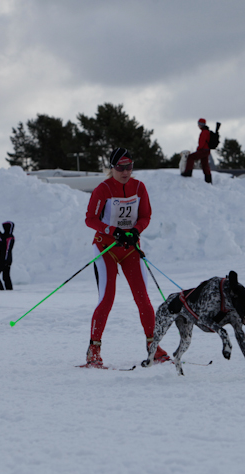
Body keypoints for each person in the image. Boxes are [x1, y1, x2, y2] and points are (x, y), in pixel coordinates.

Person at [82, 147, 169, 368]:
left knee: (143, 299)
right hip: (106, 248)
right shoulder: (103, 189)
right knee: (107, 298)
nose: (125, 172)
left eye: (129, 167)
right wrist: (112, 231)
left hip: (130, 248)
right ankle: (94, 350)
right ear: (112, 168)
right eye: (120, 167)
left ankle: (154, 346)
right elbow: (90, 219)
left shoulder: (139, 187)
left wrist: (136, 230)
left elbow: (146, 215)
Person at [181, 118, 213, 183]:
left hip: (203, 150)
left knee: (191, 157)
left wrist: (198, 149)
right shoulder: (207, 131)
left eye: (198, 124)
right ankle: (208, 180)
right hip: (207, 151)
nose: (198, 125)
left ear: (201, 124)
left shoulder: (204, 132)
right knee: (205, 165)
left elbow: (202, 143)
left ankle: (188, 172)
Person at [0, 221, 15, 291]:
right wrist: (0, 233)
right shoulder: (11, 237)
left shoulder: (4, 237)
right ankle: (9, 290)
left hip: (2, 259)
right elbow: (3, 241)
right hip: (8, 259)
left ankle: (0, 289)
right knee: (6, 276)